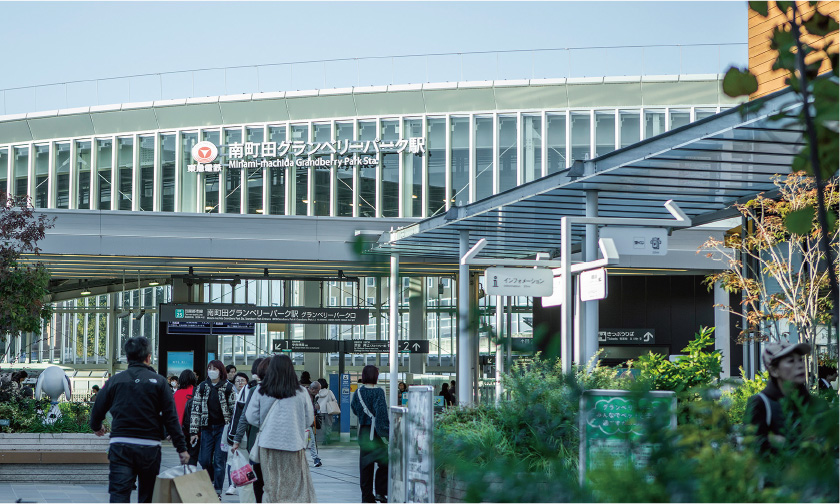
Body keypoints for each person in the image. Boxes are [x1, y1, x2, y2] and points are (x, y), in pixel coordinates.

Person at [89, 336, 189, 503]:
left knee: (119, 494)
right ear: (148, 357)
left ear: (127, 358)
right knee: (147, 496)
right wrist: (181, 448)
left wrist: (96, 426)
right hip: (149, 447)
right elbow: (170, 417)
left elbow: (98, 407)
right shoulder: (159, 382)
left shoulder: (115, 381)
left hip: (121, 445)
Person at [245, 354, 316, 503]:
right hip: (293, 444)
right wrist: (295, 425)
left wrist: (267, 425)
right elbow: (309, 419)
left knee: (271, 486)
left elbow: (250, 416)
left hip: (268, 445)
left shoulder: (261, 389)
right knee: (294, 487)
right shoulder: (301, 392)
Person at [746, 341, 812, 454]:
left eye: (800, 360)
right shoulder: (760, 403)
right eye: (791, 361)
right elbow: (751, 445)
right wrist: (772, 441)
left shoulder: (812, 402)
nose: (800, 365)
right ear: (774, 371)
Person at [189, 360, 236, 497]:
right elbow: (195, 409)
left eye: (215, 368)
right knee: (204, 459)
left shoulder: (228, 387)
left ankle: (217, 491)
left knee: (219, 461)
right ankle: (211, 479)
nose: (211, 371)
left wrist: (233, 432)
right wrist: (194, 431)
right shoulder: (202, 386)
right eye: (209, 368)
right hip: (207, 428)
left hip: (223, 429)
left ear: (220, 371)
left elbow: (233, 410)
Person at [231, 357, 268, 503]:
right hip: (268, 443)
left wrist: (236, 439)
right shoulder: (290, 390)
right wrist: (237, 438)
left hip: (258, 440)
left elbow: (246, 416)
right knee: (265, 478)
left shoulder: (255, 390)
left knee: (259, 477)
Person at [351, 365, 389, 503]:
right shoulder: (379, 392)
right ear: (375, 376)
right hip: (377, 433)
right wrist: (387, 433)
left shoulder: (358, 392)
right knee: (385, 462)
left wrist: (364, 417)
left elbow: (354, 409)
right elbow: (382, 414)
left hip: (364, 432)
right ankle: (380, 492)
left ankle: (367, 497)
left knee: (365, 466)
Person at [223, 371, 251, 495]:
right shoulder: (232, 395)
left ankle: (247, 483)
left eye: (242, 380)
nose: (240, 383)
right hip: (233, 431)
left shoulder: (249, 393)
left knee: (247, 460)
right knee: (231, 459)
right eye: (237, 381)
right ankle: (232, 484)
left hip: (245, 433)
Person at [306, 381, 323, 467]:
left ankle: (315, 458)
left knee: (311, 440)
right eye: (317, 390)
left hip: (308, 422)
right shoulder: (304, 395)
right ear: (312, 389)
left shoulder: (312, 396)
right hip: (304, 422)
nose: (318, 392)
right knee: (310, 440)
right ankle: (315, 458)